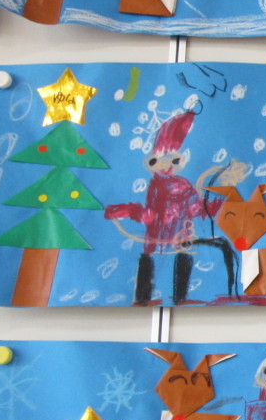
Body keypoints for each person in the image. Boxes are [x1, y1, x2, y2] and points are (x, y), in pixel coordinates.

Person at [103, 109, 243, 304]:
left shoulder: (182, 184)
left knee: (178, 258)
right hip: (159, 238)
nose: (166, 165)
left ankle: (177, 298)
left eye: (172, 159)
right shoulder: (156, 186)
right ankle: (145, 298)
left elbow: (196, 208)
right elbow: (151, 213)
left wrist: (219, 205)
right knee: (152, 260)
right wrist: (126, 211)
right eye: (159, 160)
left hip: (179, 237)